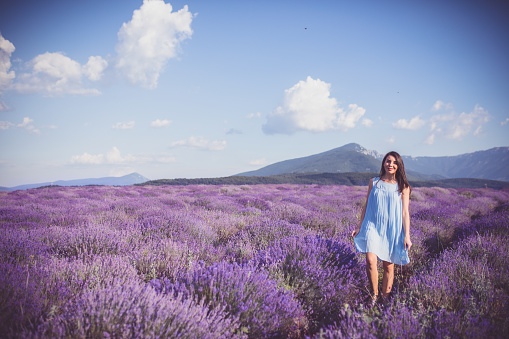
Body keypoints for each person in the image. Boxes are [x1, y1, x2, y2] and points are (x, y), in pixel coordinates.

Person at [351, 151, 412, 306]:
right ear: (383, 163)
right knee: (370, 260)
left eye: (394, 162)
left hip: (392, 229)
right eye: (388, 161)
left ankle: (385, 299)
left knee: (388, 266)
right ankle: (374, 296)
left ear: (399, 166)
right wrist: (359, 227)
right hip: (372, 226)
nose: (390, 165)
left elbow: (405, 213)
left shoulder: (403, 187)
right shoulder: (375, 182)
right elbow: (367, 205)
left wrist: (407, 236)